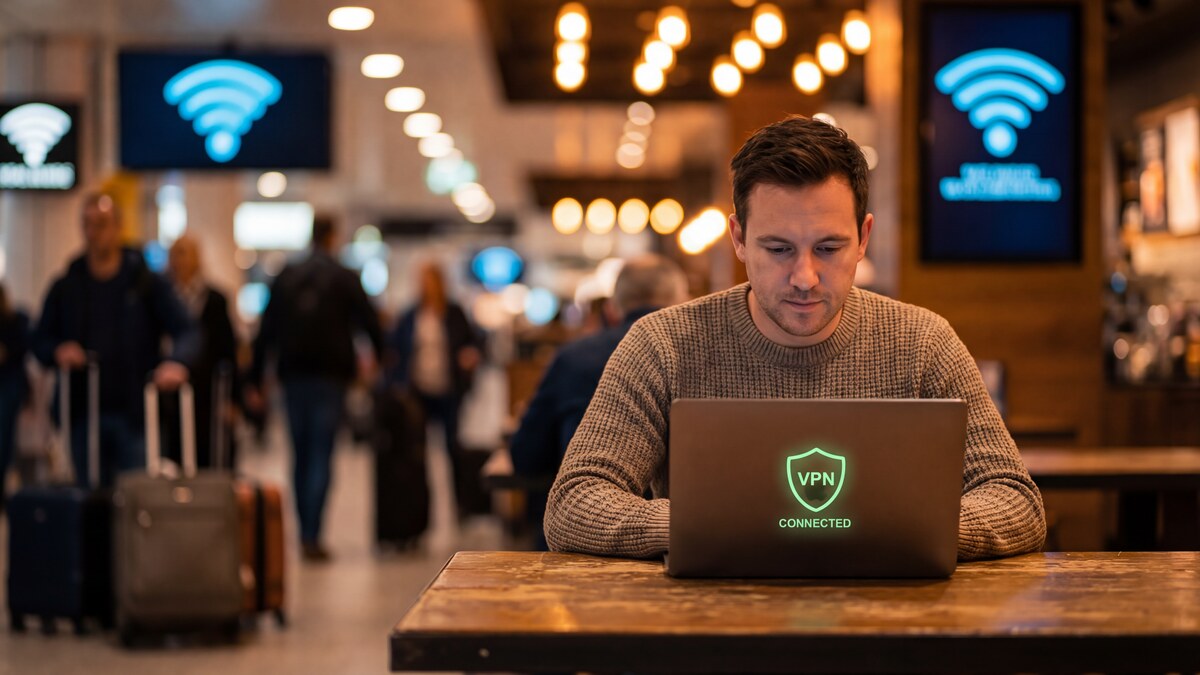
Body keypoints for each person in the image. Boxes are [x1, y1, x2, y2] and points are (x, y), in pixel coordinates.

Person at [545, 116, 1046, 561]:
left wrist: (901, 527)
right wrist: (713, 523)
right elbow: (574, 501)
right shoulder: (663, 344)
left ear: (863, 238)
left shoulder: (921, 342)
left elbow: (1015, 499)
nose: (804, 277)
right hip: (710, 625)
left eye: (828, 248)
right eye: (779, 249)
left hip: (887, 625)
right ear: (739, 239)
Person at [509, 254, 688, 549]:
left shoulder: (571, 358)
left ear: (612, 308)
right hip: (678, 544)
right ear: (683, 302)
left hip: (583, 541)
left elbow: (526, 455)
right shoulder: (695, 357)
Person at [32, 193, 196, 488]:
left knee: (137, 496)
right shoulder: (68, 285)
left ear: (118, 227)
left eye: (102, 224)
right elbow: (39, 339)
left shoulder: (145, 282)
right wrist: (57, 351)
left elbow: (187, 330)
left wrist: (176, 362)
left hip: (135, 414)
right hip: (84, 413)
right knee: (87, 497)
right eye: (87, 224)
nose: (94, 233)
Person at [248, 215, 383, 562]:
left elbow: (266, 329)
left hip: (292, 376)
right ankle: (313, 533)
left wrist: (255, 377)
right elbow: (369, 321)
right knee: (322, 453)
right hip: (330, 378)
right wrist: (379, 360)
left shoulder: (287, 275)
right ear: (332, 236)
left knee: (300, 455)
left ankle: (303, 529)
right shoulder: (343, 276)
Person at [388, 262, 483, 520]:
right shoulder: (411, 315)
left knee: (453, 447)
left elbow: (473, 343)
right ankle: (420, 511)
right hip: (418, 391)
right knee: (418, 452)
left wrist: (469, 356)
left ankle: (460, 505)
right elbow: (395, 349)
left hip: (449, 390)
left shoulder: (453, 313)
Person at [167, 234, 239, 469]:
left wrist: (233, 399)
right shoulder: (163, 298)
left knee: (209, 455)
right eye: (176, 254)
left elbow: (228, 350)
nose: (180, 261)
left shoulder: (215, 300)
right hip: (172, 394)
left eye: (185, 254)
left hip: (208, 392)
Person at [0, 283, 31, 509]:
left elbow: (23, 348)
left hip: (9, 386)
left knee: (4, 442)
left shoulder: (15, 321)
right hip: (10, 387)